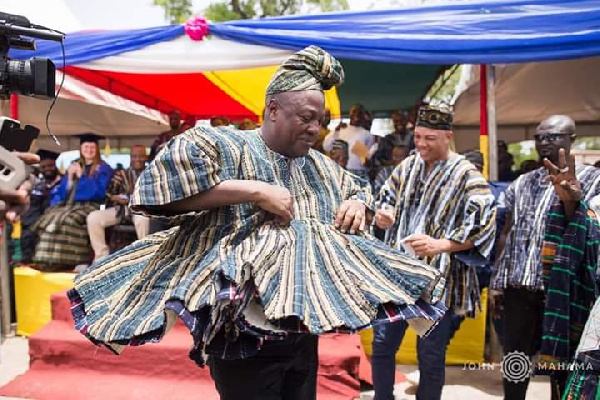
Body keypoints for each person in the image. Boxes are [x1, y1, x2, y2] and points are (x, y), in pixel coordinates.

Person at [67, 46, 446, 400]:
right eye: (305, 118)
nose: (315, 129)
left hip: (301, 332)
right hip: (241, 338)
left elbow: (359, 190)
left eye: (320, 120)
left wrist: (355, 204)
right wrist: (253, 191)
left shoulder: (320, 166)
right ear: (273, 110)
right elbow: (158, 192)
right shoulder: (225, 146)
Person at [372, 105, 497, 400]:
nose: (422, 144)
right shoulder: (408, 166)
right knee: (382, 345)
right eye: (417, 137)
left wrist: (442, 244)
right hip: (398, 274)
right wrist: (383, 214)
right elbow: (384, 198)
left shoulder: (466, 174)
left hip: (437, 280)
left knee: (429, 354)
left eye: (430, 138)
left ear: (448, 137)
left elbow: (484, 223)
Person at [490, 115, 600, 400]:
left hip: (563, 290)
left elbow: (592, 231)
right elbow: (507, 231)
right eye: (540, 137)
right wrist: (497, 281)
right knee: (515, 360)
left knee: (561, 362)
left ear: (571, 139)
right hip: (519, 286)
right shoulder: (522, 182)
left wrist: (571, 201)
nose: (544, 143)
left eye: (553, 136)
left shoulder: (592, 178)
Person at [32, 134, 113, 271]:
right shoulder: (75, 164)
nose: (89, 150)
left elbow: (99, 192)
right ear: (81, 149)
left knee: (68, 220)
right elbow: (64, 192)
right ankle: (48, 258)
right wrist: (69, 177)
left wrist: (82, 177)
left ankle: (75, 260)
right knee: (51, 216)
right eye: (86, 147)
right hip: (70, 204)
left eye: (92, 147)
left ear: (97, 149)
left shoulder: (103, 168)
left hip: (91, 205)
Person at [86, 145, 150, 264]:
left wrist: (132, 200)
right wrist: (114, 197)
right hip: (120, 210)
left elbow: (154, 196)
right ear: (130, 157)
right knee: (93, 217)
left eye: (141, 156)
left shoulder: (151, 174)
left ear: (146, 157)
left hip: (141, 210)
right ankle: (101, 257)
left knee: (144, 220)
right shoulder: (121, 174)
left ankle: (145, 257)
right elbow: (109, 193)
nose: (137, 159)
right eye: (134, 156)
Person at [17, 149, 62, 263]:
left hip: (56, 216)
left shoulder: (63, 181)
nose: (47, 169)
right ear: (40, 167)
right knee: (29, 232)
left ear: (55, 165)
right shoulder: (35, 182)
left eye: (50, 166)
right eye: (44, 166)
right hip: (34, 219)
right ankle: (28, 260)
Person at [323, 103, 375, 181]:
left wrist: (363, 156)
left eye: (360, 113)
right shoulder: (341, 129)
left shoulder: (367, 135)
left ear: (363, 116)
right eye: (354, 111)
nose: (357, 114)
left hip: (359, 173)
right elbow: (326, 147)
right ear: (350, 114)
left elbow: (368, 161)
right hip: (339, 171)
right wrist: (336, 132)